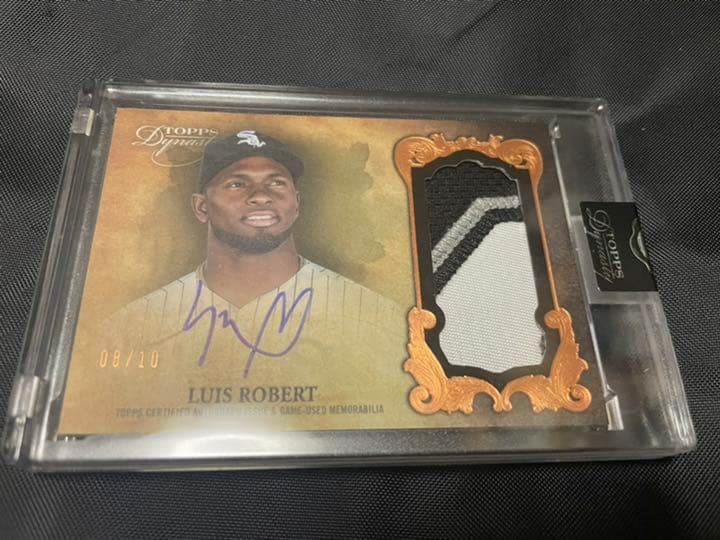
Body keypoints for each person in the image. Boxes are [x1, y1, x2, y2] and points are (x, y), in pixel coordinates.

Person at [79, 130, 412, 431]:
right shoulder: (128, 328)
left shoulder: (381, 320)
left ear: (297, 204)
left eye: (276, 182)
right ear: (201, 207)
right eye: (237, 184)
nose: (261, 196)